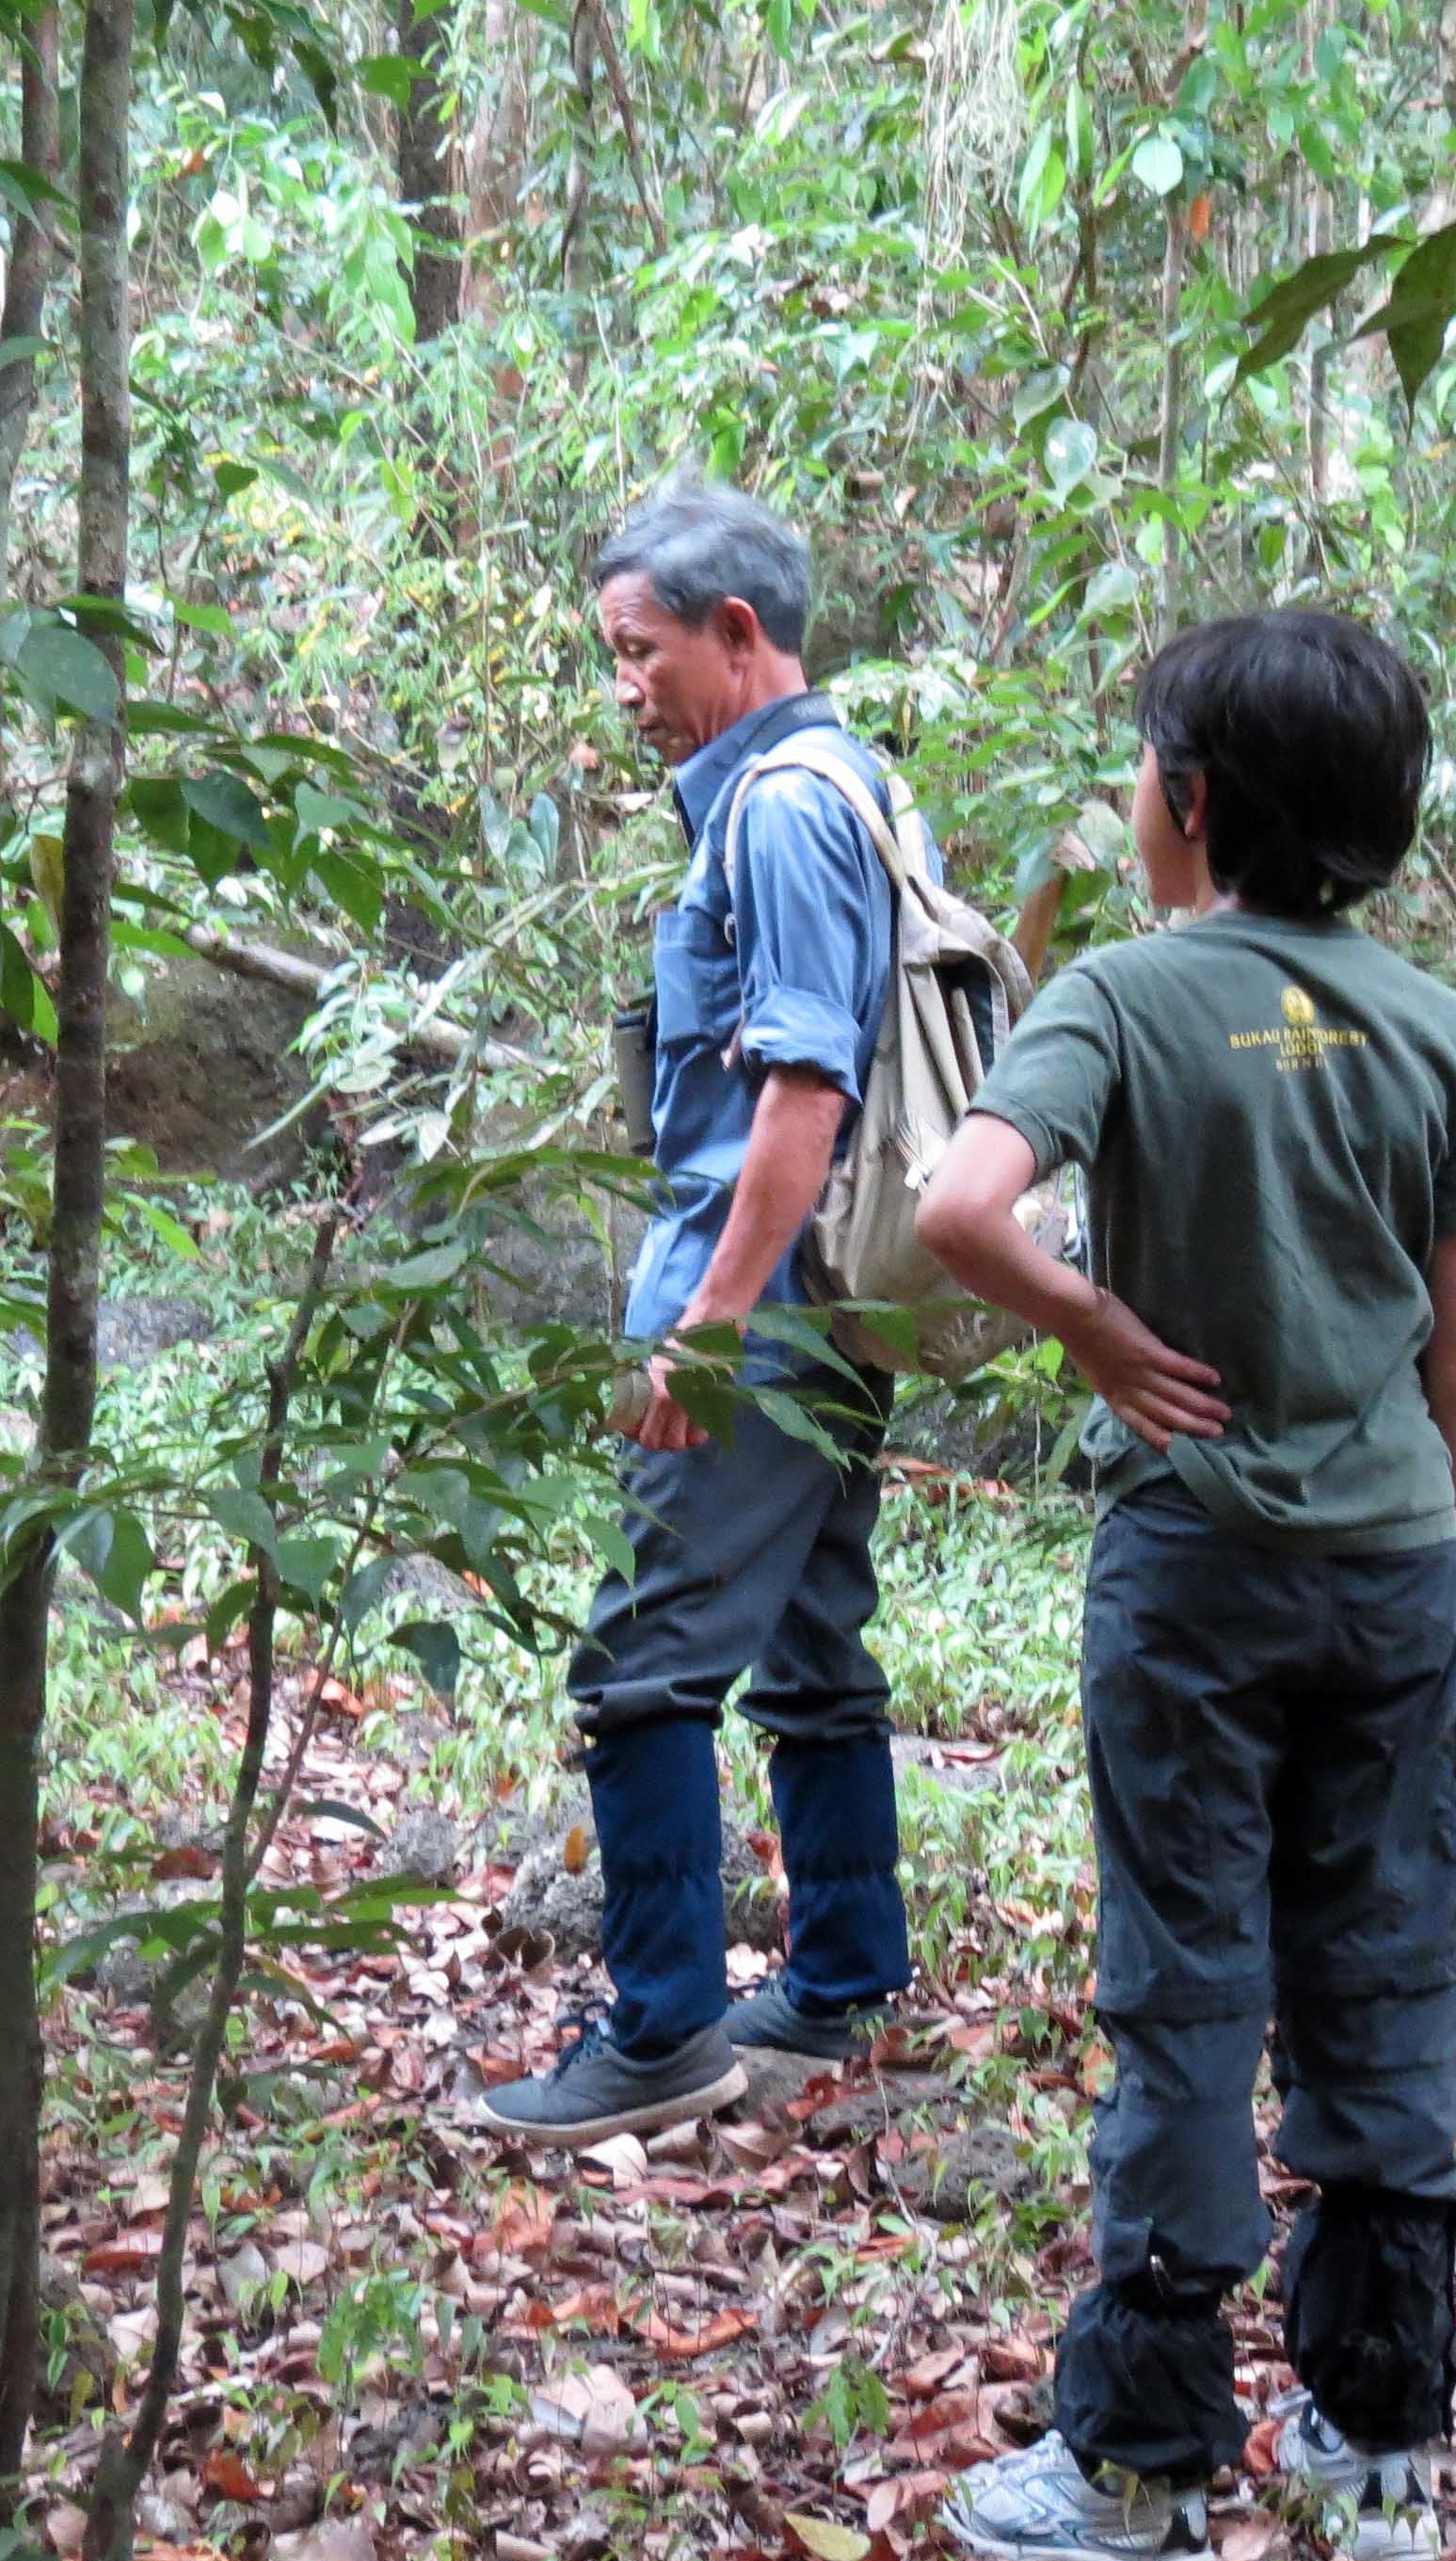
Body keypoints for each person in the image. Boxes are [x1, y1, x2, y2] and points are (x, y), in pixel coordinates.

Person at [915, 609, 1456, 2561]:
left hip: (1191, 1575)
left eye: (1141, 766)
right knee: (1385, 1981)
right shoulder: (1438, 1029)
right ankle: (1377, 2458)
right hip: (1390, 1577)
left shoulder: (1126, 993)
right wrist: (1412, 1541)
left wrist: (1096, 1331)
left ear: (1190, 801)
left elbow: (954, 1209)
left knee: (1186, 1985)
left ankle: (1146, 2474)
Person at [480, 482, 913, 2148]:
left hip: (768, 1315)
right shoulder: (856, 786)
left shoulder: (786, 811)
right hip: (834, 1305)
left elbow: (802, 1091)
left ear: (739, 638)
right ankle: (840, 1982)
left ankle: (661, 2032)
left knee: (644, 1668)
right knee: (812, 1644)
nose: (624, 687)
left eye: (638, 651)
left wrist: (709, 1327)